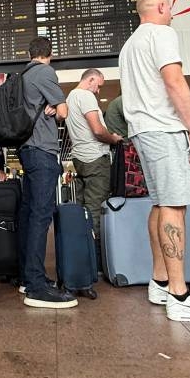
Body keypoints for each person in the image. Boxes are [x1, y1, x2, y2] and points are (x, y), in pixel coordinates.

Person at [119, 0, 190, 323]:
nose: (173, 15)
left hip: (143, 130)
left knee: (160, 202)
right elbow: (175, 81)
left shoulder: (130, 46)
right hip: (163, 130)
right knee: (173, 206)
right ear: (163, 7)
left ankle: (161, 281)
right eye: (171, 9)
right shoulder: (162, 33)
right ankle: (180, 294)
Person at [17, 36, 77, 309]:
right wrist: (56, 108)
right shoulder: (45, 71)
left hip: (27, 151)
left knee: (30, 215)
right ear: (49, 54)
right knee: (41, 216)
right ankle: (36, 286)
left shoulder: (22, 76)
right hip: (42, 151)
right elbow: (63, 111)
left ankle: (28, 277)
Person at [66, 69, 121, 264]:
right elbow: (98, 130)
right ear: (90, 79)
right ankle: (97, 261)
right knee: (95, 209)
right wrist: (113, 138)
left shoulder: (70, 97)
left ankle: (83, 257)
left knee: (83, 209)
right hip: (96, 159)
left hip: (80, 160)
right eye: (98, 85)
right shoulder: (86, 96)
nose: (98, 91)